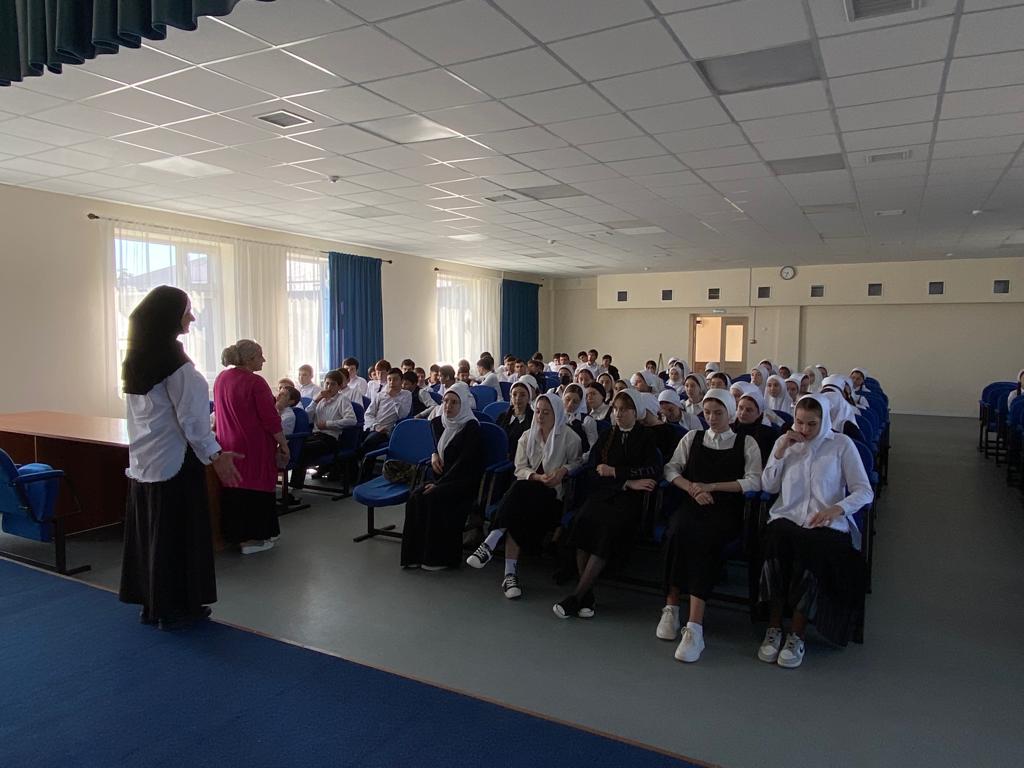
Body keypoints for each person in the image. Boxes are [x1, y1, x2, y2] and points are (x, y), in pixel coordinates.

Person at [119, 286, 242, 631]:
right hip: (175, 461)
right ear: (169, 316)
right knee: (177, 537)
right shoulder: (178, 367)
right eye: (187, 311)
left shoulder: (136, 361)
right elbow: (193, 422)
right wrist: (216, 455)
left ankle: (153, 603)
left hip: (145, 461)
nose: (192, 317)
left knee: (153, 535)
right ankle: (174, 606)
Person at [757, 394, 873, 668]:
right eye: (800, 422)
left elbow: (864, 490)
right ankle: (774, 626)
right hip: (788, 516)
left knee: (812, 551)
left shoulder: (841, 445)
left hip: (825, 522)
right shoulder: (786, 443)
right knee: (774, 543)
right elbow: (769, 486)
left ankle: (797, 633)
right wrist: (780, 451)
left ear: (824, 421)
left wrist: (838, 509)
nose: (805, 430)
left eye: (812, 424)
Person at [657, 389, 762, 662]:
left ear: (730, 414)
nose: (712, 418)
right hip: (692, 503)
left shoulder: (745, 442)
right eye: (707, 413)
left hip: (725, 509)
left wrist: (712, 486)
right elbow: (671, 469)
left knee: (703, 538)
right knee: (676, 531)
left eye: (718, 413)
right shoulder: (693, 437)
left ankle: (695, 626)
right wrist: (692, 488)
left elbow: (754, 480)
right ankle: (671, 607)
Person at [553, 389, 659, 619]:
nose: (619, 414)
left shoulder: (646, 437)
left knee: (606, 529)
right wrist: (626, 481)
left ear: (636, 412)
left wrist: (616, 472)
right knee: (583, 520)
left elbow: (652, 470)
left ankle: (577, 595)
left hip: (629, 501)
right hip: (605, 493)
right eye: (616, 409)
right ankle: (586, 595)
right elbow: (594, 470)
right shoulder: (607, 435)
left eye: (625, 410)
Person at [466, 393, 583, 598]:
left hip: (551, 497)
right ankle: (509, 574)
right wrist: (536, 477)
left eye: (546, 413)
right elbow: (519, 468)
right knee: (520, 498)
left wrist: (563, 471)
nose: (540, 417)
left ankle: (493, 543)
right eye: (537, 412)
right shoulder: (527, 436)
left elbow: (577, 462)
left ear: (556, 414)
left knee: (518, 494)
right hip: (527, 492)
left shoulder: (570, 437)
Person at [213, 340, 287, 556]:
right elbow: (270, 419)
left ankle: (237, 535)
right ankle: (252, 539)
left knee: (235, 487)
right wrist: (283, 444)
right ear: (249, 358)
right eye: (260, 356)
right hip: (253, 444)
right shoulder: (255, 382)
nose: (264, 360)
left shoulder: (221, 378)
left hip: (227, 442)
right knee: (256, 487)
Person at [400, 383, 484, 570]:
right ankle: (415, 555)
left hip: (462, 481)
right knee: (415, 497)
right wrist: (434, 454)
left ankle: (438, 558)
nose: (448, 406)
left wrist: (440, 485)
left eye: (454, 402)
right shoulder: (440, 423)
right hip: (442, 477)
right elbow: (437, 447)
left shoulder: (471, 427)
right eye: (446, 401)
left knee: (433, 497)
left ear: (463, 405)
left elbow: (464, 463)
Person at [289, 369, 357, 491]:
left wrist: (328, 424)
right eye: (327, 383)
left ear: (339, 386)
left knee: (304, 449)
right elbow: (307, 417)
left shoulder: (342, 400)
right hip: (315, 435)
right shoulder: (320, 400)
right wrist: (315, 401)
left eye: (333, 384)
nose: (329, 387)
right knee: (296, 444)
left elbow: (352, 420)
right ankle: (294, 483)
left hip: (330, 439)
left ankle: (295, 486)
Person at [734, 388, 781, 465]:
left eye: (749, 410)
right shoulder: (729, 428)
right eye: (740, 408)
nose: (743, 413)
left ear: (759, 414)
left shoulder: (770, 434)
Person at [496, 380, 533, 460]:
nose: (518, 398)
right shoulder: (502, 417)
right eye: (514, 394)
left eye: (523, 395)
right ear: (510, 397)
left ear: (528, 398)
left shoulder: (533, 418)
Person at [562, 383, 597, 455]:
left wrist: (583, 458)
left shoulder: (587, 420)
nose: (570, 404)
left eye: (575, 402)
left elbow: (593, 447)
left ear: (581, 403)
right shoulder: (557, 416)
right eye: (567, 399)